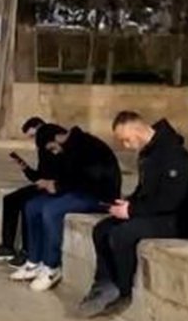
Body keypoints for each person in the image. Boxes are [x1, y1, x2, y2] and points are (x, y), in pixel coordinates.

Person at [78, 112, 188, 318]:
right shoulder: (150, 154)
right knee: (102, 229)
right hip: (160, 213)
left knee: (123, 234)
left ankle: (123, 289)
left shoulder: (173, 155)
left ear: (137, 130)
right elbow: (145, 192)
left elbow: (170, 200)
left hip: (181, 219)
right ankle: (104, 283)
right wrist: (128, 204)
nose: (127, 146)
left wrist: (132, 211)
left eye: (126, 140)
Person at [10, 123, 121, 292]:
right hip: (78, 191)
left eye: (52, 148)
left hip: (98, 196)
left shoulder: (88, 147)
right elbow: (66, 177)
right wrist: (51, 183)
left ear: (57, 139)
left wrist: (59, 186)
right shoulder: (67, 148)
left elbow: (90, 179)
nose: (54, 153)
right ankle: (34, 261)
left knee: (51, 210)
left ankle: (51, 266)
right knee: (32, 206)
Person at [0, 116, 60, 264]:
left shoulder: (48, 138)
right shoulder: (44, 144)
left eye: (32, 136)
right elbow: (40, 176)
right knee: (11, 199)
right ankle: (7, 246)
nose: (34, 141)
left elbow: (50, 174)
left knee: (27, 204)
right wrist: (25, 168)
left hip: (56, 186)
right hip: (45, 183)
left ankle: (27, 251)